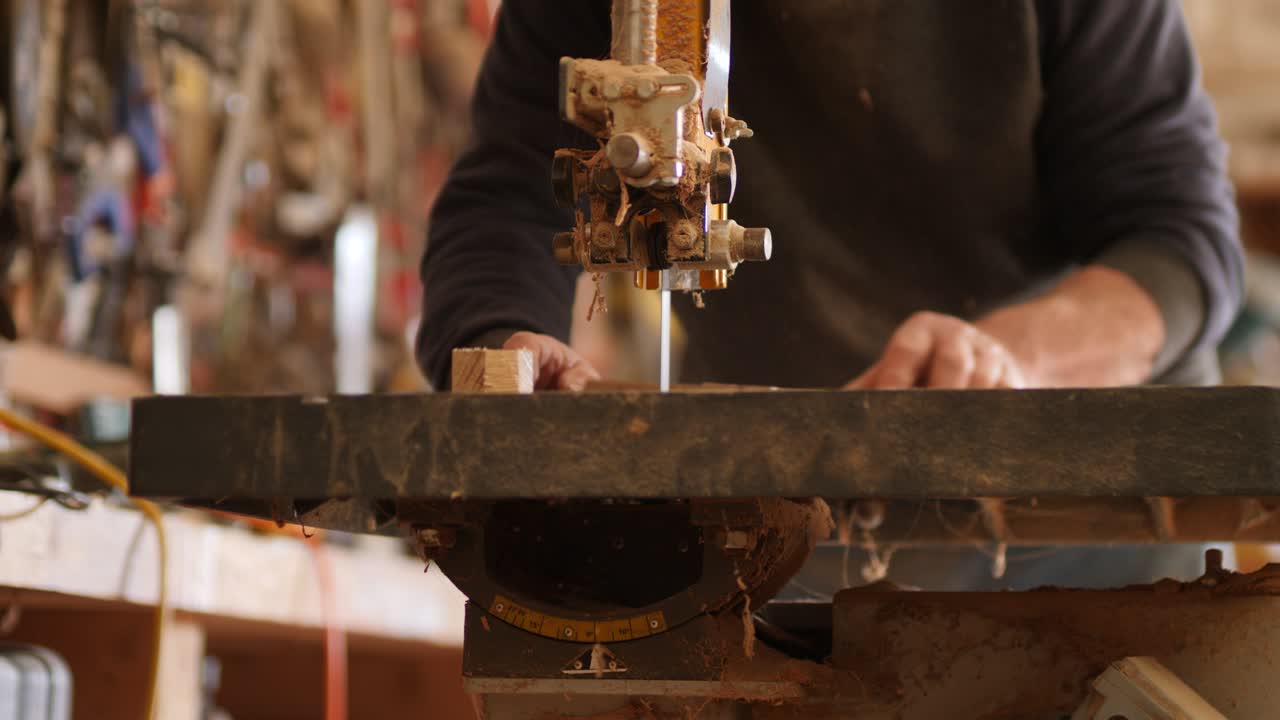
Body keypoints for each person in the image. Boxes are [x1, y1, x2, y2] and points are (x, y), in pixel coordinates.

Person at [417, 1, 1243, 591]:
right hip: (780, 550)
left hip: (1085, 555)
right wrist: (502, 343)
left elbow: (1177, 241)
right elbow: (514, 197)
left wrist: (1001, 359)